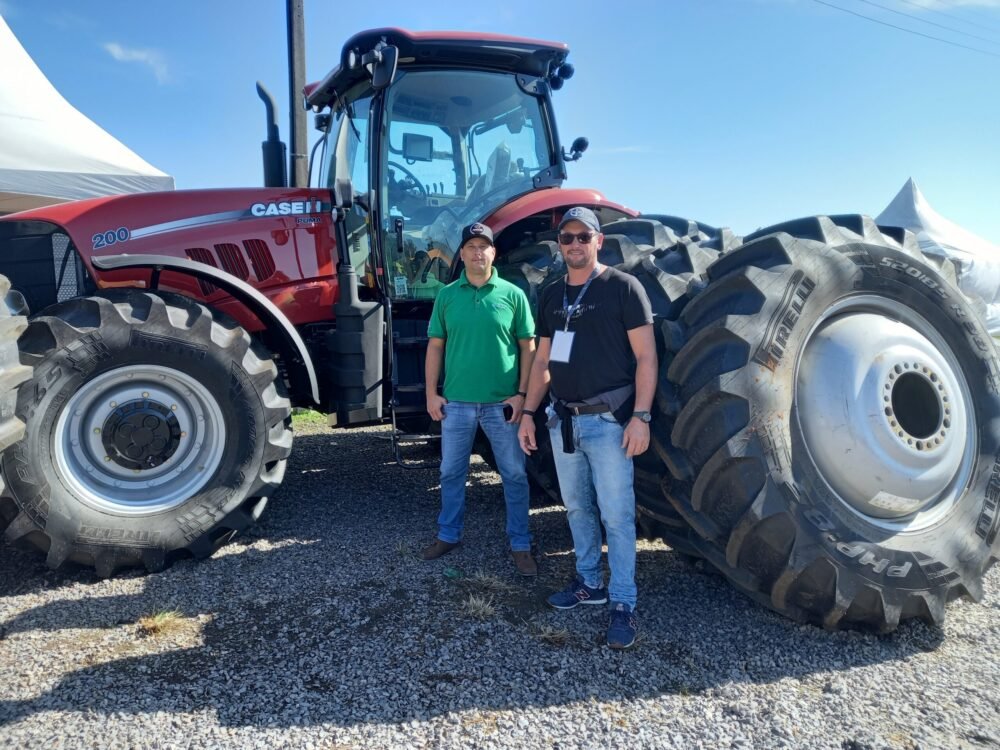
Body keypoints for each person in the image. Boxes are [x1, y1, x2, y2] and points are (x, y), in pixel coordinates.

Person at [517, 206, 656, 649]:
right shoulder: (553, 294)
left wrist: (641, 416)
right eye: (566, 237)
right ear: (559, 245)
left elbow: (646, 358)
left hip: (611, 422)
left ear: (599, 240)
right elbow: (543, 360)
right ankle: (589, 583)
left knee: (617, 516)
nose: (574, 244)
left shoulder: (623, 289)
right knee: (577, 508)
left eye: (583, 236)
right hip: (563, 420)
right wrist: (528, 413)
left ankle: (623, 601)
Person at [422, 222, 539, 576]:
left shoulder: (512, 294)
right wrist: (431, 393)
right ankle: (449, 534)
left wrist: (522, 395)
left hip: (502, 405)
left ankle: (520, 543)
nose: (477, 252)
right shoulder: (447, 295)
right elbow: (435, 347)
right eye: (471, 246)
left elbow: (528, 347)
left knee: (515, 474)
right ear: (462, 254)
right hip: (456, 403)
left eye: (484, 246)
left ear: (493, 253)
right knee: (451, 471)